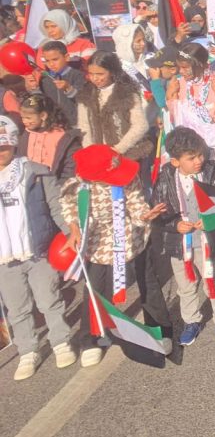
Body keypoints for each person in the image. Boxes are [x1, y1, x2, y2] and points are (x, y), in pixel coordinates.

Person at [61, 144, 164, 365]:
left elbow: (136, 203)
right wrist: (74, 228)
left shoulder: (128, 177)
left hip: (129, 235)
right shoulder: (78, 187)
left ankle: (160, 329)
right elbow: (69, 207)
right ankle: (91, 338)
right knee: (95, 289)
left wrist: (145, 215)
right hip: (96, 242)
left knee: (148, 282)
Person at [0, 115, 75, 379]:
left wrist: (70, 231)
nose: (1, 152)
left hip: (37, 249)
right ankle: (28, 350)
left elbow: (55, 206)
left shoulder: (35, 172)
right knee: (17, 308)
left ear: (13, 144)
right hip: (4, 257)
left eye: (4, 146)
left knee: (48, 298)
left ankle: (60, 341)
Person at [149, 126, 215, 346]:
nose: (199, 161)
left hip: (207, 241)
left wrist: (211, 219)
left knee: (213, 280)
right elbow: (158, 214)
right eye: (191, 158)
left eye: (200, 155)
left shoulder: (211, 172)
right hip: (179, 245)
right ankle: (191, 320)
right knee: (186, 286)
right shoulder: (165, 179)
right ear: (175, 161)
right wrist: (175, 224)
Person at [166, 43, 215, 166]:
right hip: (190, 148)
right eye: (179, 67)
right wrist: (170, 95)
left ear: (198, 65)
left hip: (214, 148)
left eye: (185, 67)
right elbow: (176, 118)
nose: (181, 71)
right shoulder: (182, 83)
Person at [77, 51, 153, 163]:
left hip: (128, 155)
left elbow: (140, 125)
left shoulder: (127, 94)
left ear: (112, 72)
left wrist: (118, 149)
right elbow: (84, 126)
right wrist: (91, 151)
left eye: (100, 74)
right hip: (100, 157)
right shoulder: (86, 95)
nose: (95, 78)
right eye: (91, 74)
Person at [17, 93, 81, 180]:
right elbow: (20, 160)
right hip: (29, 183)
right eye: (22, 118)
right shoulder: (26, 135)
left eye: (28, 118)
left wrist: (62, 183)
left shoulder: (63, 137)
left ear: (43, 116)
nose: (24, 121)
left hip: (54, 183)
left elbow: (70, 166)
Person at [35, 40, 85, 126]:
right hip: (53, 124)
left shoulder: (77, 75)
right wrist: (33, 89)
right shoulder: (45, 79)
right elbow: (41, 100)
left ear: (66, 57)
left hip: (74, 123)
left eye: (55, 59)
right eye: (47, 61)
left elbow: (83, 99)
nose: (51, 64)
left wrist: (68, 88)